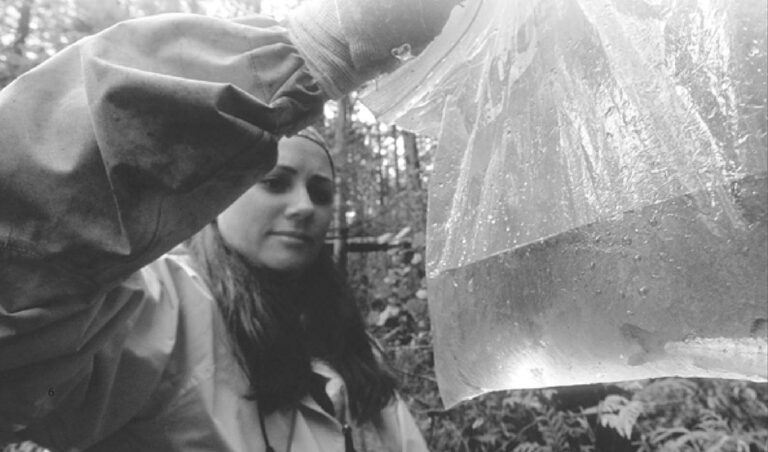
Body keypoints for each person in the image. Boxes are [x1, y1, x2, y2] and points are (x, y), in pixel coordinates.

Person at [0, 0, 461, 450]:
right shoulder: (158, 314)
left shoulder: (354, 349)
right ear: (216, 199)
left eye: (321, 192)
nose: (304, 207)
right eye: (274, 182)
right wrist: (320, 48)